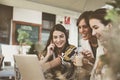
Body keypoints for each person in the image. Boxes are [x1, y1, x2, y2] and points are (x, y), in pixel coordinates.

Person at [88, 8, 114, 80]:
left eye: (96, 27)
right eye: (92, 29)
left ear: (109, 26)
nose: (93, 33)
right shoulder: (100, 50)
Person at [76, 11, 98, 80]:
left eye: (85, 27)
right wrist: (86, 61)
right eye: (79, 27)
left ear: (92, 26)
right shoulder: (84, 42)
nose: (81, 30)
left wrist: (92, 60)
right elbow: (93, 68)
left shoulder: (103, 42)